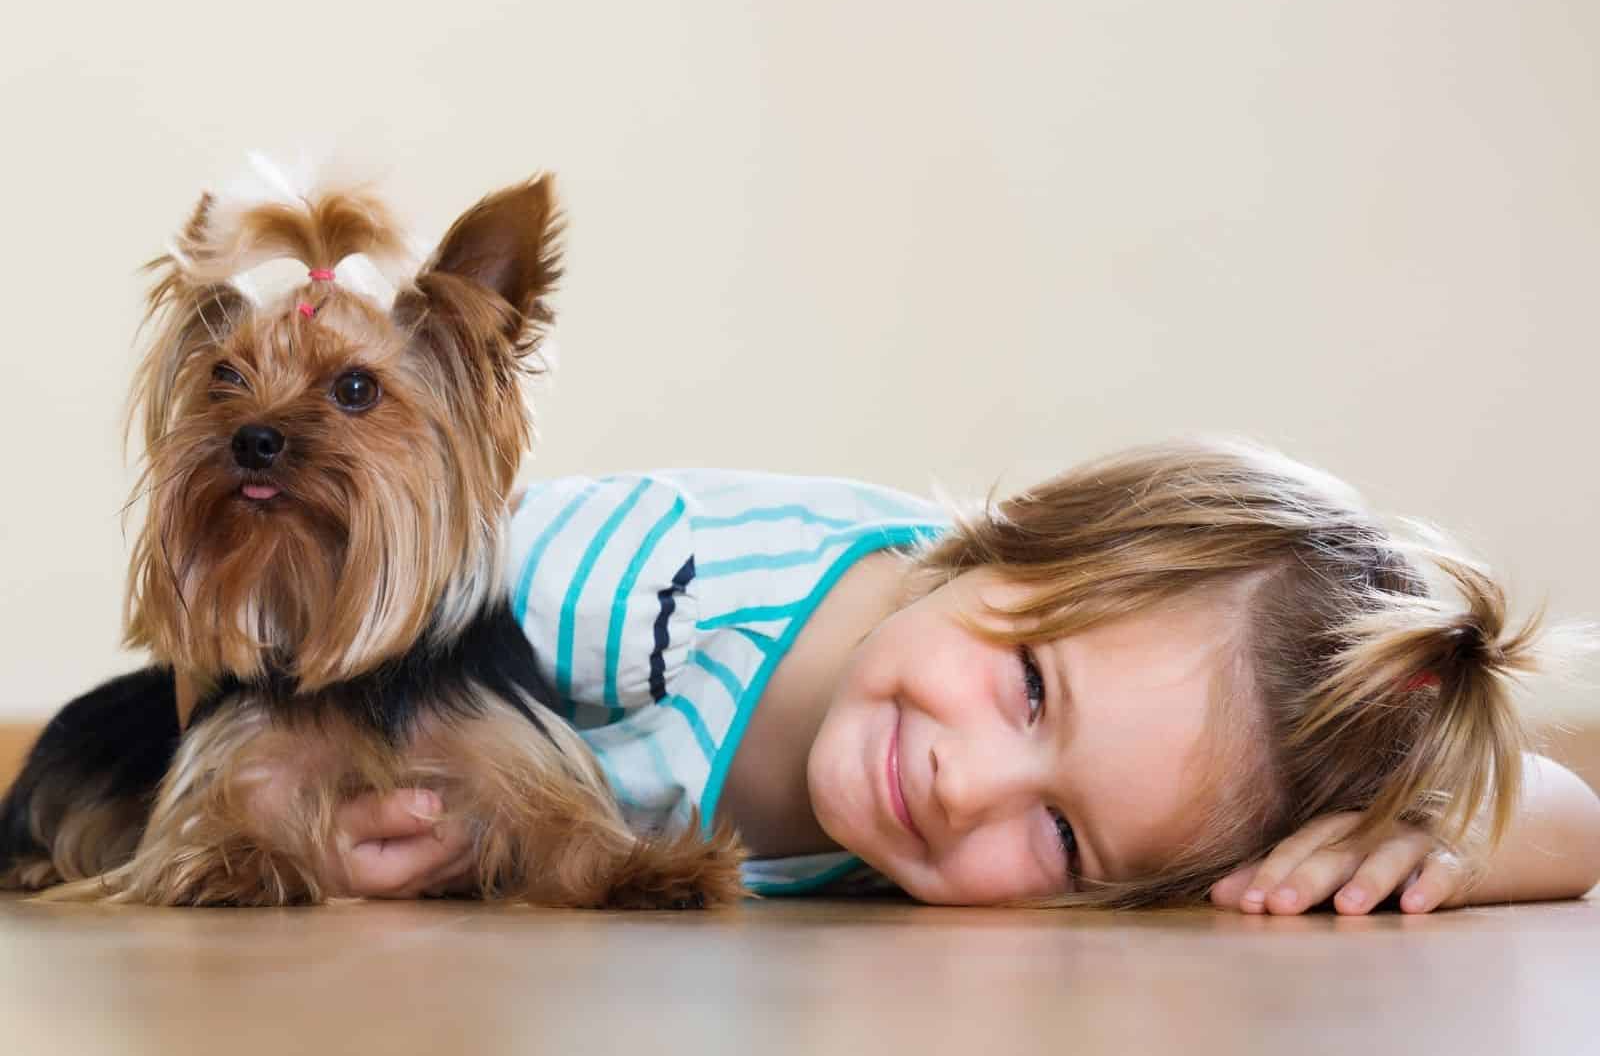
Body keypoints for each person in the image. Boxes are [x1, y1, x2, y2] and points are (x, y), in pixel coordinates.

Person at [318, 438, 1600, 912]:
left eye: (1059, 835)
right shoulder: (656, 578)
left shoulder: (1191, 789)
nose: (963, 783)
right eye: (1032, 687)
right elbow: (300, 624)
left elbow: (1572, 821)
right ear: (1020, 534)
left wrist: (1415, 833)